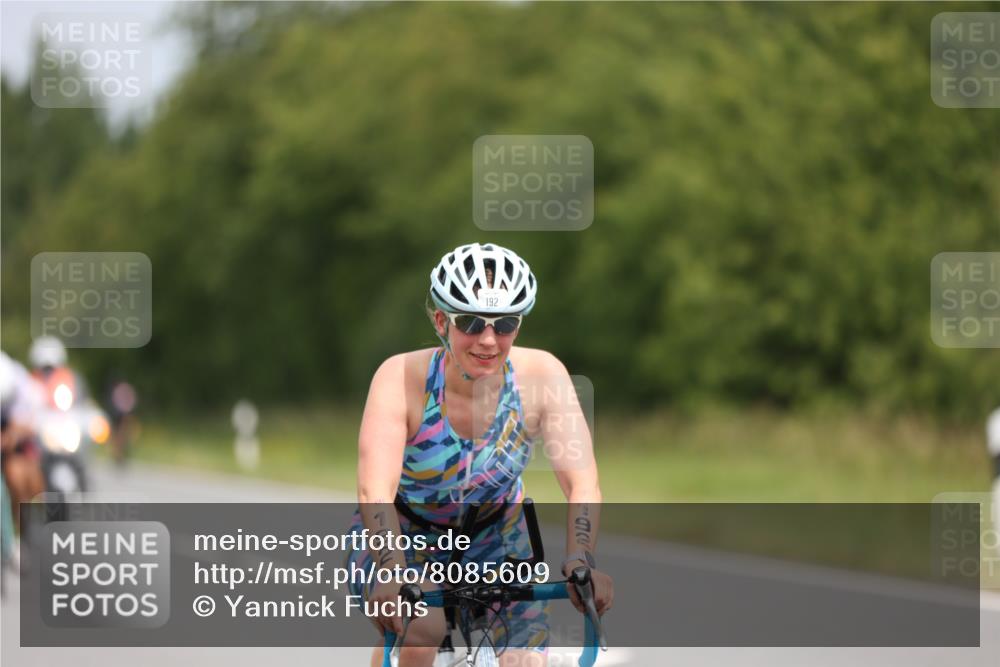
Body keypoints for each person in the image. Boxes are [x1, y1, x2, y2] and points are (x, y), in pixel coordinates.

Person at [347, 243, 613, 667]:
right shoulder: (400, 377)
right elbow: (374, 488)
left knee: (525, 662)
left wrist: (581, 560)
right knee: (422, 628)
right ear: (441, 321)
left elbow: (582, 481)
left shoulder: (543, 375)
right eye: (470, 323)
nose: (488, 340)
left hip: (498, 538)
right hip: (405, 535)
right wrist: (392, 570)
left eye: (504, 324)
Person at [0, 351, 46, 539]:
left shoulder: (23, 387)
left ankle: (26, 530)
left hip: (19, 443)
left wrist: (10, 437)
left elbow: (27, 426)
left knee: (19, 475)